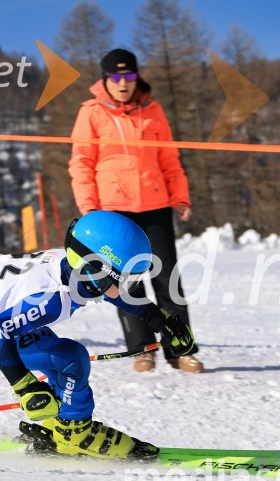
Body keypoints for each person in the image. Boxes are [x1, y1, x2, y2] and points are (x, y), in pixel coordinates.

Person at [0, 210, 195, 458]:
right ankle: (74, 434)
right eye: (124, 280)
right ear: (96, 272)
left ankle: (60, 420)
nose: (126, 289)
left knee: (60, 359)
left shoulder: (73, 267)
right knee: (71, 359)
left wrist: (158, 319)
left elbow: (115, 293)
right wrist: (25, 388)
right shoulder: (50, 298)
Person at [68, 48, 203, 374]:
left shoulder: (153, 110)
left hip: (154, 205)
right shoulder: (91, 113)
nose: (123, 83)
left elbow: (169, 159)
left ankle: (180, 349)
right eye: (116, 77)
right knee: (125, 282)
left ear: (136, 76)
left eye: (128, 76)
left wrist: (179, 196)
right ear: (105, 79)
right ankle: (142, 349)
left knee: (168, 280)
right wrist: (88, 208)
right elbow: (81, 163)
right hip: (113, 211)